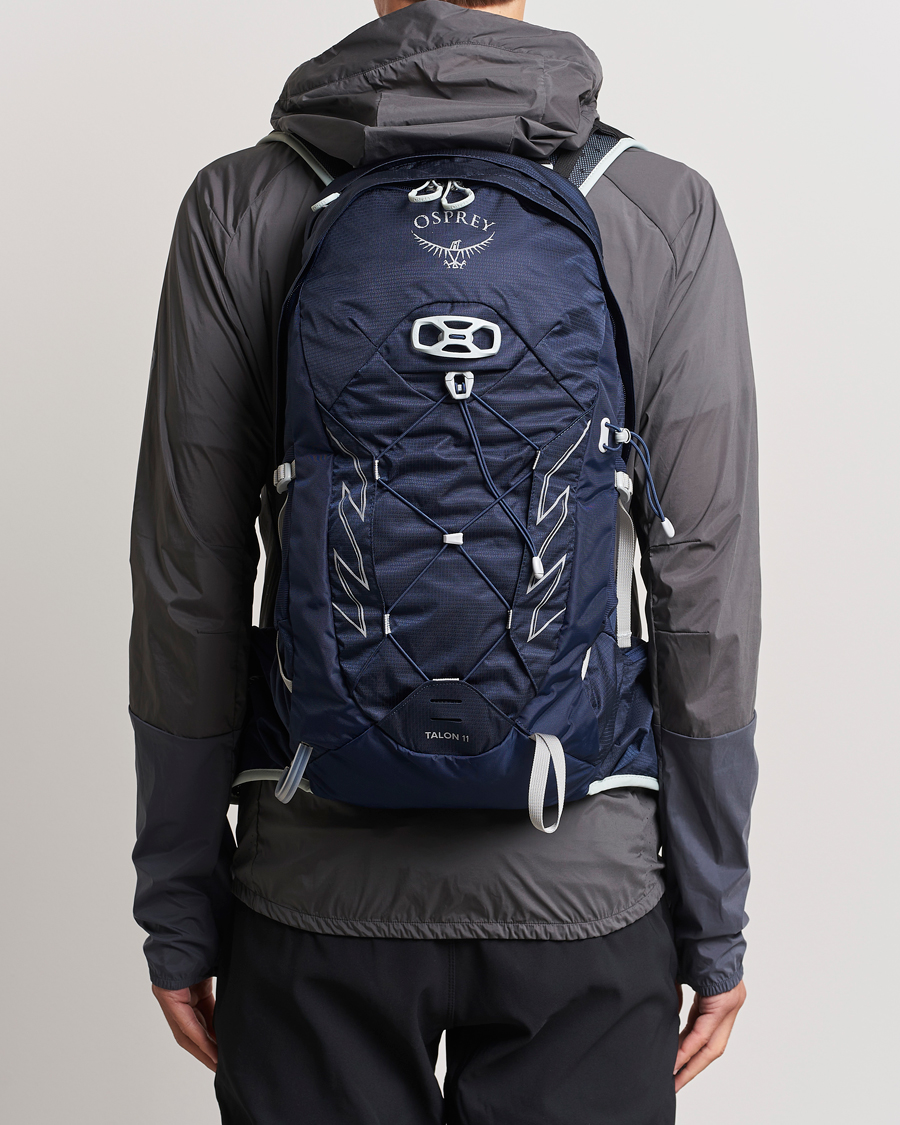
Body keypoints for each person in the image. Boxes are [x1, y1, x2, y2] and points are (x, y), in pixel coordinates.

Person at [130, 1, 760, 1120]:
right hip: (585, 885)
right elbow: (705, 586)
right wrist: (713, 919)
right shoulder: (659, 209)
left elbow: (190, 579)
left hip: (313, 887)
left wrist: (179, 902)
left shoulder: (242, 202)